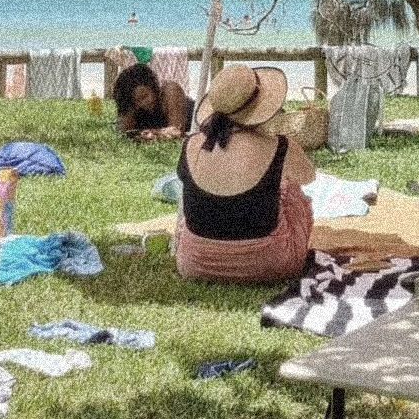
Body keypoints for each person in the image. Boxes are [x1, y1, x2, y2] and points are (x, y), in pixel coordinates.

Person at [174, 63, 315, 282]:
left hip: (195, 263)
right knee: (293, 192)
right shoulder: (279, 146)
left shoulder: (191, 144)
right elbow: (308, 176)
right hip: (270, 264)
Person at [112, 61, 192, 141]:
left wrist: (150, 133)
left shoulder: (170, 91)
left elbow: (177, 132)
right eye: (138, 101)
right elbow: (122, 132)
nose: (144, 103)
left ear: (152, 87)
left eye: (145, 96)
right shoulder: (135, 107)